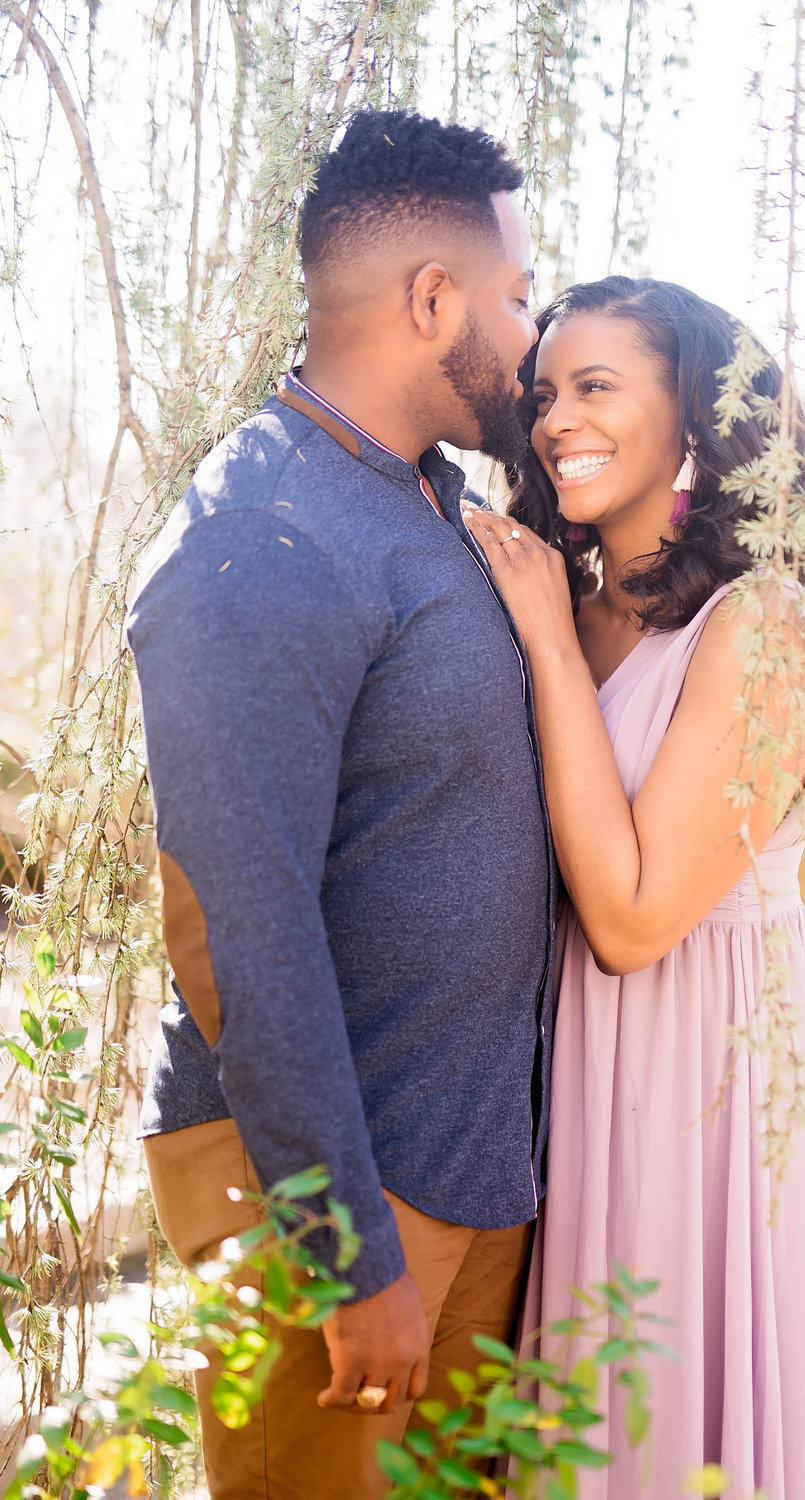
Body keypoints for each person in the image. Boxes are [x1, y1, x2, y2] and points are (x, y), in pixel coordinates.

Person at [127, 109, 556, 1500]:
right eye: (516, 297)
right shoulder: (261, 535)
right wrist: (344, 1252)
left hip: (471, 1178)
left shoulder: (431, 503)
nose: (532, 336)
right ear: (432, 301)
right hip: (338, 1212)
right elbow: (236, 923)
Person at [463, 276, 805, 1500]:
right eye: (542, 395)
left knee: (669, 1411)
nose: (554, 419)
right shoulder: (569, 611)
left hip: (706, 1072)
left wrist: (540, 633)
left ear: (692, 414)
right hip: (578, 1065)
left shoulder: (762, 623)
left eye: (594, 387)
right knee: (581, 1415)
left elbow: (629, 919)